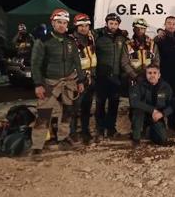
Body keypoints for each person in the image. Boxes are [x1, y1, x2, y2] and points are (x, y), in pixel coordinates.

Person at [30, 9, 85, 155]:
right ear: (53, 23)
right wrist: (38, 84)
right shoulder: (43, 41)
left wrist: (80, 80)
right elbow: (35, 64)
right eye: (59, 22)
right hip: (49, 82)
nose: (62, 25)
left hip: (68, 81)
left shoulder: (70, 41)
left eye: (64, 23)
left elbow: (76, 62)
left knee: (67, 111)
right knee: (43, 114)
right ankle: (37, 145)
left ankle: (63, 138)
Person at [94, 13, 129, 139]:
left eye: (115, 24)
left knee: (114, 105)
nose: (113, 26)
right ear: (106, 23)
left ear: (118, 24)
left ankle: (111, 129)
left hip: (116, 76)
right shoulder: (98, 35)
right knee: (100, 104)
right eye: (111, 23)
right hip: (102, 76)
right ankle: (99, 129)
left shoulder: (122, 37)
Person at [69, 13, 97, 145]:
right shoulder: (71, 40)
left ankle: (85, 131)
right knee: (75, 107)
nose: (84, 28)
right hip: (77, 78)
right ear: (76, 26)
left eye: (86, 26)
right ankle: (72, 132)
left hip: (91, 77)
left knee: (87, 107)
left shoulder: (91, 37)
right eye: (81, 26)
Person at [129, 64, 174, 146]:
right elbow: (134, 102)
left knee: (162, 140)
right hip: (142, 114)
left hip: (156, 116)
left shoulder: (166, 87)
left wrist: (162, 114)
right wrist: (152, 110)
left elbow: (172, 105)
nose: (152, 75)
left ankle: (149, 131)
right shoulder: (138, 85)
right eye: (149, 73)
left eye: (154, 73)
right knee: (138, 111)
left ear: (159, 75)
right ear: (146, 75)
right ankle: (136, 138)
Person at [121, 18, 159, 84]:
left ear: (145, 30)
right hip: (133, 78)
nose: (140, 30)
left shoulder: (152, 44)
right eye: (137, 28)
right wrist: (135, 76)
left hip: (149, 78)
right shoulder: (128, 44)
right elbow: (124, 63)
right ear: (133, 29)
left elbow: (156, 60)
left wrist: (151, 74)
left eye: (142, 28)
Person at [156, 16, 175, 92]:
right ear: (164, 24)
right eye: (169, 23)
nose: (171, 26)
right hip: (164, 73)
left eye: (173, 24)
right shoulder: (159, 38)